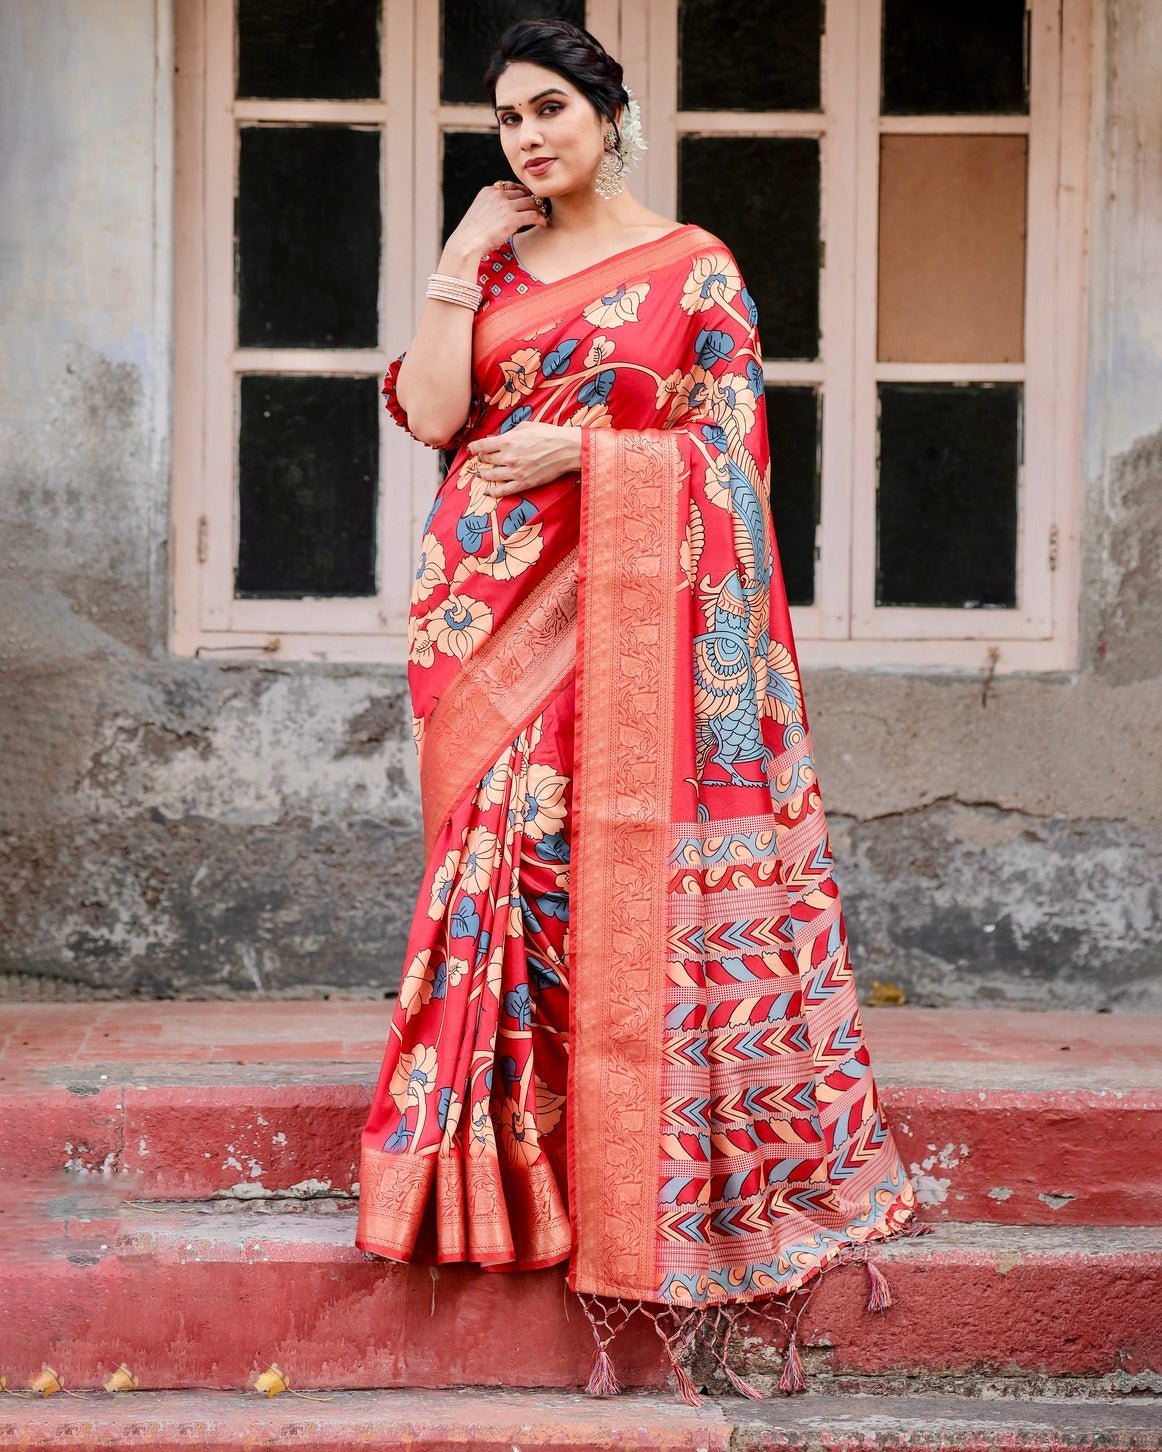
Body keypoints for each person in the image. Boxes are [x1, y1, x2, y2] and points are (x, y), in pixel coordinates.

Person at [357, 17, 930, 1404]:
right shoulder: (487, 270)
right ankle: (495, 1174)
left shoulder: (693, 269)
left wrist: (594, 448)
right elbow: (432, 415)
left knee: (569, 875)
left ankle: (607, 1153)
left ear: (611, 114)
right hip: (479, 612)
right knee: (489, 870)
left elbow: (730, 456)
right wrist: (449, 268)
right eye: (505, 119)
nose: (529, 137)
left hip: (618, 615)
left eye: (551, 108)